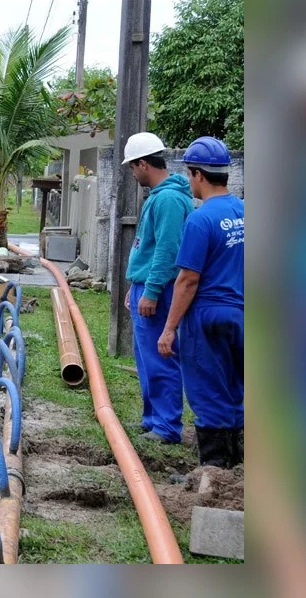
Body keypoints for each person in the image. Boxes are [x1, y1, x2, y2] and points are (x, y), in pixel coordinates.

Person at [157, 136, 244, 468]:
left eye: (190, 175)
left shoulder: (201, 219)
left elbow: (188, 280)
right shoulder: (244, 211)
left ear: (197, 175)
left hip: (208, 317)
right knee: (236, 388)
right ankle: (238, 468)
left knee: (208, 392)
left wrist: (168, 330)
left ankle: (214, 471)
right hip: (243, 313)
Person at [121, 132, 193, 444]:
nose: (132, 174)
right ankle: (153, 419)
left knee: (160, 357)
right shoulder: (160, 197)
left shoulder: (168, 200)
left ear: (143, 164)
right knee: (147, 358)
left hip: (159, 291)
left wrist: (150, 291)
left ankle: (166, 426)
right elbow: (148, 249)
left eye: (132, 168)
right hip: (146, 285)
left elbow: (167, 251)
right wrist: (136, 284)